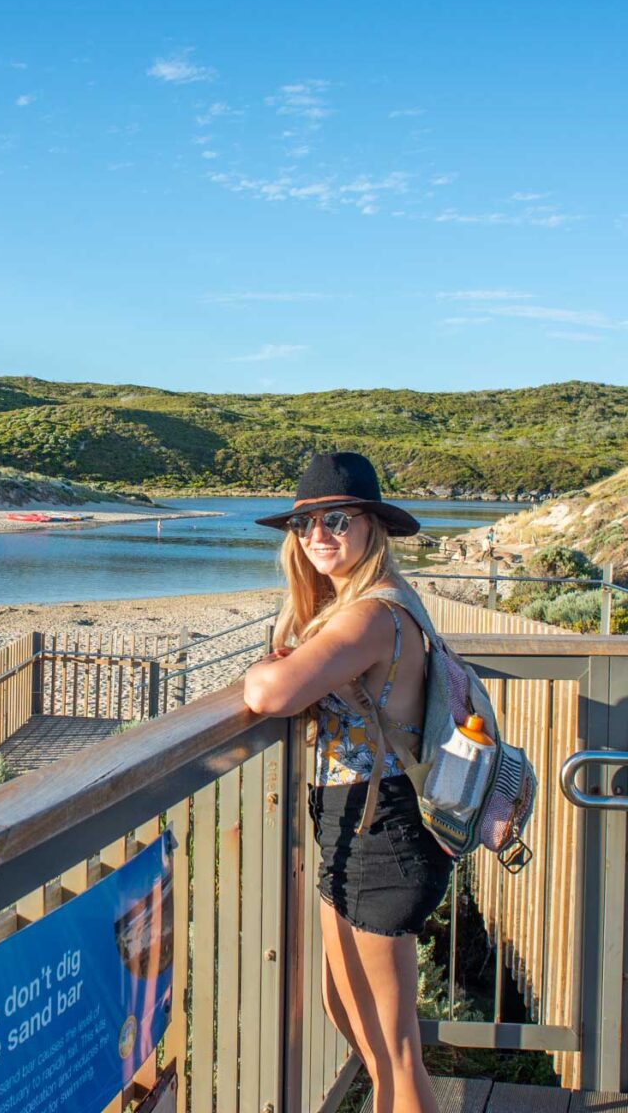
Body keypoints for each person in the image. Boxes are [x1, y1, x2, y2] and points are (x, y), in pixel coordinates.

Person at [243, 452, 452, 1113]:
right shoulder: (363, 605)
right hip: (355, 827)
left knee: (393, 1052)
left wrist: (264, 669)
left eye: (336, 519)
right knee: (350, 1013)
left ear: (372, 527)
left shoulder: (370, 615)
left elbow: (271, 693)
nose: (317, 535)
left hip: (380, 831)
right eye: (304, 524)